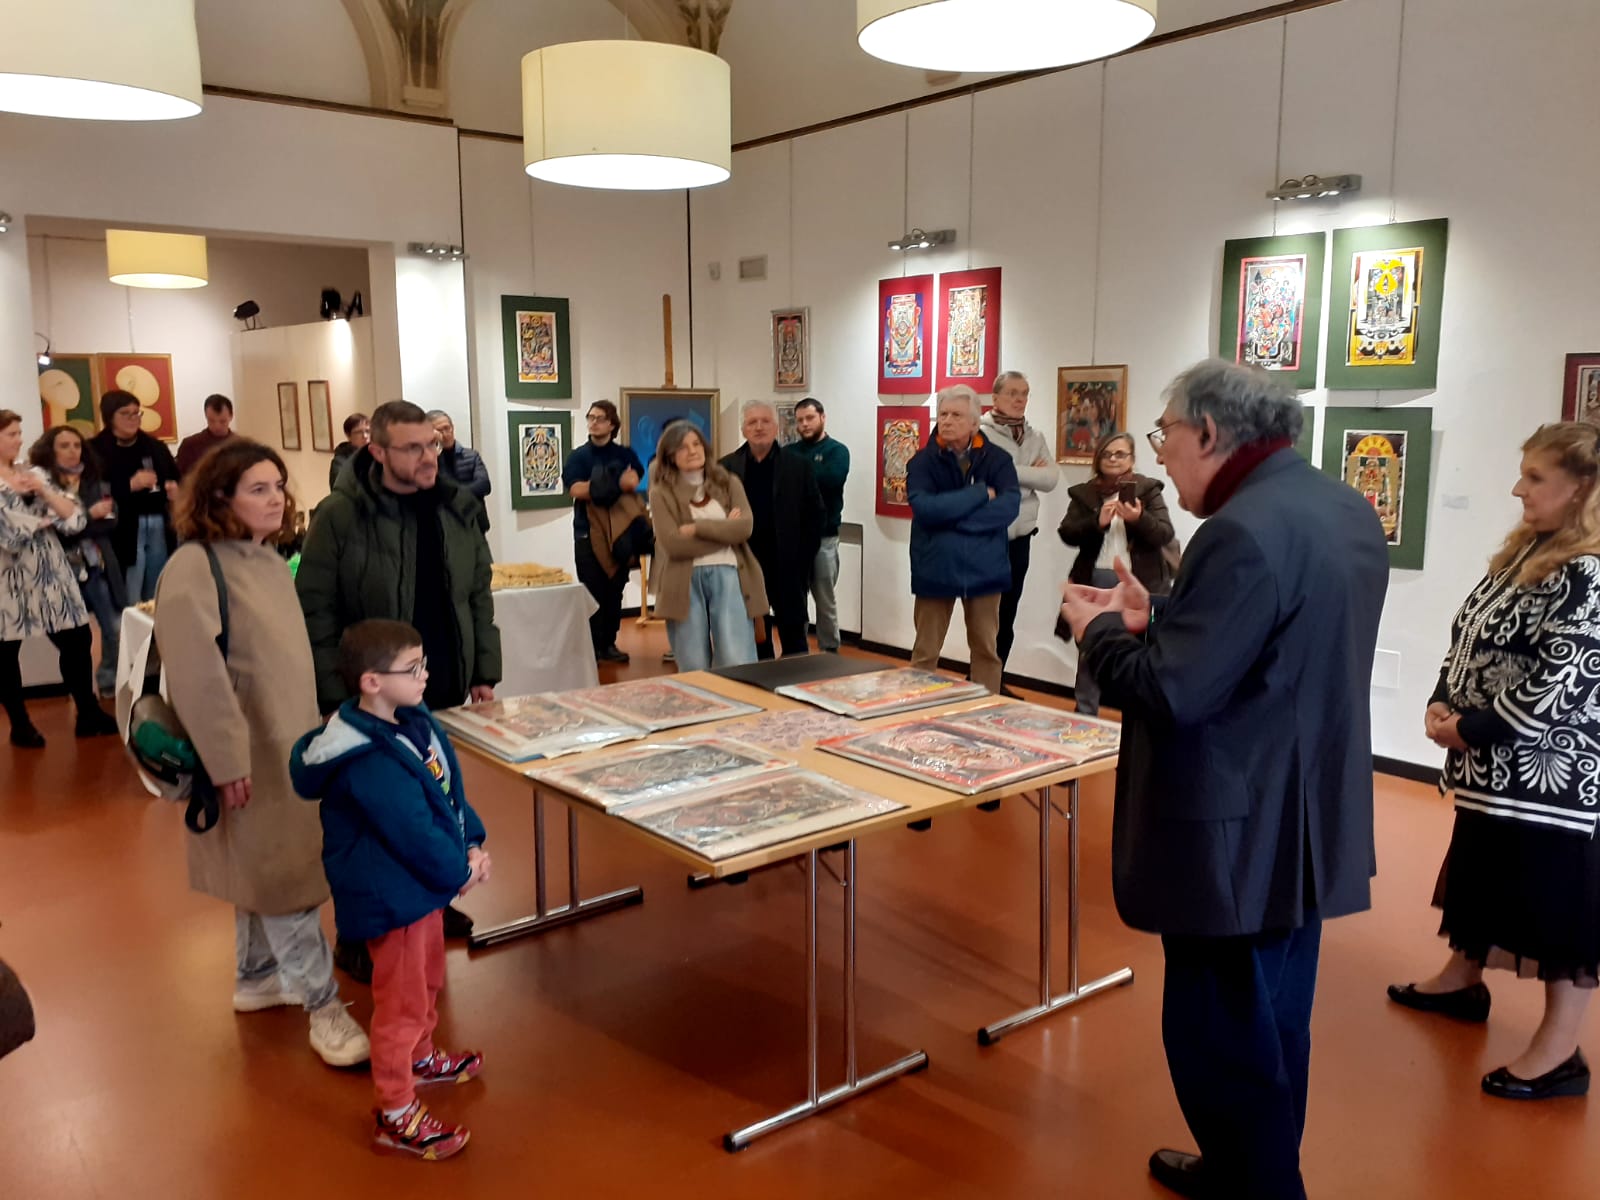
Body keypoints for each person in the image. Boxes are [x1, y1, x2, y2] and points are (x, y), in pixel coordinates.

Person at [1058, 359, 1387, 1200]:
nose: (1160, 452)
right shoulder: (1339, 505)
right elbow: (1273, 638)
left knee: (1222, 1034)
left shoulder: (1237, 531)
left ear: (1208, 431)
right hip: (1304, 811)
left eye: (1166, 432)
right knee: (1276, 1019)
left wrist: (1101, 635)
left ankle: (1262, 1187)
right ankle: (1249, 1168)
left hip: (1233, 827)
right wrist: (1162, 617)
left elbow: (1172, 692)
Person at [1388, 422, 1600, 1102]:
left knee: (1558, 905)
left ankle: (1560, 1051)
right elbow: (1470, 637)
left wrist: (1470, 729)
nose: (1518, 489)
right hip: (1492, 768)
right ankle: (1462, 979)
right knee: (1481, 871)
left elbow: (1562, 678)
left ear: (1582, 489)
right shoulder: (1527, 552)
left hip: (1551, 777)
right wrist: (1440, 699)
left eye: (1535, 477)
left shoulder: (1589, 572)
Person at [152, 439, 370, 1069]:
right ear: (219, 497)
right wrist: (226, 761)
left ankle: (256, 976)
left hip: (286, 745)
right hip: (248, 752)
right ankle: (322, 1007)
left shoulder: (269, 559)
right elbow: (196, 675)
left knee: (265, 866)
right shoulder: (194, 566)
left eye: (278, 486)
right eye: (258, 489)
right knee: (284, 880)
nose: (277, 499)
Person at [296, 399, 499, 970]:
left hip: (435, 681)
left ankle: (433, 902)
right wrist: (334, 695)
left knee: (435, 798)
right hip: (370, 694)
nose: (428, 456)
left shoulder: (458, 506)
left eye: (432, 443)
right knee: (367, 820)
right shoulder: (341, 515)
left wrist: (483, 668)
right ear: (377, 451)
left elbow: (478, 591)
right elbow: (315, 608)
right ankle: (359, 932)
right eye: (413, 447)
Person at [291, 619, 488, 1160]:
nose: (425, 675)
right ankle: (396, 1112)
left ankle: (420, 1058)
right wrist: (459, 871)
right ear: (372, 682)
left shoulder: (412, 721)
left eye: (424, 664)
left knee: (426, 981)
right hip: (393, 898)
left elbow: (446, 793)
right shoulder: (367, 757)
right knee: (401, 1004)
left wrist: (472, 841)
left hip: (419, 891)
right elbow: (412, 830)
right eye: (412, 668)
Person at [0, 410, 119, 746]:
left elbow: (75, 518)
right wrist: (47, 517)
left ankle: (88, 712)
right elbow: (10, 534)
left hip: (52, 571)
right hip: (9, 578)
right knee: (6, 653)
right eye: (11, 434)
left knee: (77, 639)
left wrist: (43, 492)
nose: (19, 439)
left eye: (19, 432)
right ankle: (20, 724)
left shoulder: (35, 474)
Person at [906, 385, 1020, 695]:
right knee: (925, 651)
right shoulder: (922, 462)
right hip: (935, 567)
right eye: (943, 414)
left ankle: (985, 711)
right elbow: (925, 508)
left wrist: (952, 519)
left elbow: (1009, 507)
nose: (947, 420)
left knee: (986, 651)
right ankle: (914, 707)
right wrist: (979, 493)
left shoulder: (998, 460)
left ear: (974, 422)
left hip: (985, 569)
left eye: (956, 415)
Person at [1057, 430, 1175, 714]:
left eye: (1120, 454)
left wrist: (1139, 518)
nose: (1113, 459)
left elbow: (1164, 533)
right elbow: (1067, 533)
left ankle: (1136, 720)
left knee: (1141, 649)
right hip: (1096, 579)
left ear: (1132, 459)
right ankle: (1085, 714)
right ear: (1098, 459)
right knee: (1092, 649)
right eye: (1107, 454)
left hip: (1140, 584)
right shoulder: (1084, 493)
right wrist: (1096, 522)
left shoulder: (1148, 490)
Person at [650, 420, 765, 671]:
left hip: (730, 574)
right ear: (670, 455)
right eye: (682, 447)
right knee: (693, 662)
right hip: (682, 581)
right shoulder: (661, 492)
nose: (692, 451)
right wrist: (725, 531)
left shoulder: (728, 482)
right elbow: (673, 544)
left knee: (736, 657)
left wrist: (698, 528)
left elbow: (745, 528)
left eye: (696, 444)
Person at [720, 399, 823, 659]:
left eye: (765, 421)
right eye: (752, 422)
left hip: (787, 563)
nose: (759, 427)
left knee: (794, 633)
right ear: (743, 430)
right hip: (745, 562)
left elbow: (815, 516)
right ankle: (761, 678)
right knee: (754, 634)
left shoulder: (798, 466)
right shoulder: (726, 468)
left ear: (776, 427)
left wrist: (803, 559)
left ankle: (797, 680)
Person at [29, 424, 125, 696]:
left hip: (96, 565)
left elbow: (111, 521)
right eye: (64, 446)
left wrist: (83, 521)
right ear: (50, 450)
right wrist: (89, 516)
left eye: (77, 445)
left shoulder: (93, 479)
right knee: (74, 638)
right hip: (61, 570)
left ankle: (108, 680)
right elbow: (57, 531)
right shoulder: (42, 485)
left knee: (114, 628)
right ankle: (81, 694)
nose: (73, 451)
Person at [978, 371, 1059, 678]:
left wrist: (1010, 474)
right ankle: (980, 680)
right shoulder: (980, 434)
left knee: (1008, 613)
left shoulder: (1034, 436)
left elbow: (1050, 479)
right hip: (990, 535)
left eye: (1024, 393)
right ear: (995, 397)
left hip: (1021, 536)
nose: (1020, 399)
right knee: (986, 616)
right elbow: (982, 479)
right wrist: (1029, 474)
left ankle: (995, 679)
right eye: (1012, 393)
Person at [562, 400, 646, 665]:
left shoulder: (624, 454)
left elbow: (634, 480)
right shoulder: (578, 457)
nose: (593, 422)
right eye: (590, 417)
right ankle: (593, 646)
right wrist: (616, 482)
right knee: (593, 589)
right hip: (587, 532)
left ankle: (609, 643)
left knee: (615, 589)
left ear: (612, 424)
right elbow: (576, 490)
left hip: (620, 532)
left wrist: (598, 484)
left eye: (600, 418)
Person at [90, 389, 179, 603]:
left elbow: (176, 477)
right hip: (123, 526)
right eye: (125, 413)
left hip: (158, 520)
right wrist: (129, 485)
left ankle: (156, 622)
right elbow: (92, 491)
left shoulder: (154, 446)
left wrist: (175, 489)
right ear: (110, 417)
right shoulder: (95, 449)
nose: (133, 419)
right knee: (130, 588)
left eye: (137, 413)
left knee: (158, 587)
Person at [790, 397, 850, 653]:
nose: (804, 424)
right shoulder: (789, 452)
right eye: (800, 420)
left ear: (822, 418)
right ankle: (797, 649)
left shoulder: (837, 451)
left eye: (810, 418)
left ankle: (829, 650)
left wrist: (799, 474)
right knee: (795, 599)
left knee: (825, 599)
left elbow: (832, 479)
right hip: (795, 538)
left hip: (825, 538)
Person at [426, 410, 491, 531]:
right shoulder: (429, 460)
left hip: (475, 521)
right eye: (439, 430)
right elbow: (437, 488)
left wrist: (454, 493)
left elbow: (484, 485)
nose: (445, 434)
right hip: (444, 525)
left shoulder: (471, 456)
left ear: (452, 428)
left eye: (447, 428)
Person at [175, 393, 238, 475]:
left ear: (231, 416)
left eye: (223, 421)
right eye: (211, 421)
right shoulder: (190, 445)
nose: (217, 426)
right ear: (206, 416)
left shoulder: (241, 446)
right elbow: (180, 477)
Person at [329, 412, 370, 491]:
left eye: (368, 431)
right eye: (358, 432)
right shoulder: (340, 461)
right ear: (348, 436)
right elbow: (339, 489)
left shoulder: (377, 455)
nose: (365, 436)